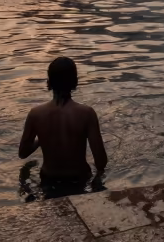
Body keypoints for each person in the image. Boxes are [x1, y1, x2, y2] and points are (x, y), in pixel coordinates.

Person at [19, 57, 107, 190]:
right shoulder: (87, 113)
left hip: (48, 180)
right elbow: (101, 162)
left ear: (48, 82)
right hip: (80, 179)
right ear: (75, 82)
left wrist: (41, 140)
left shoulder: (35, 114)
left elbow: (23, 153)